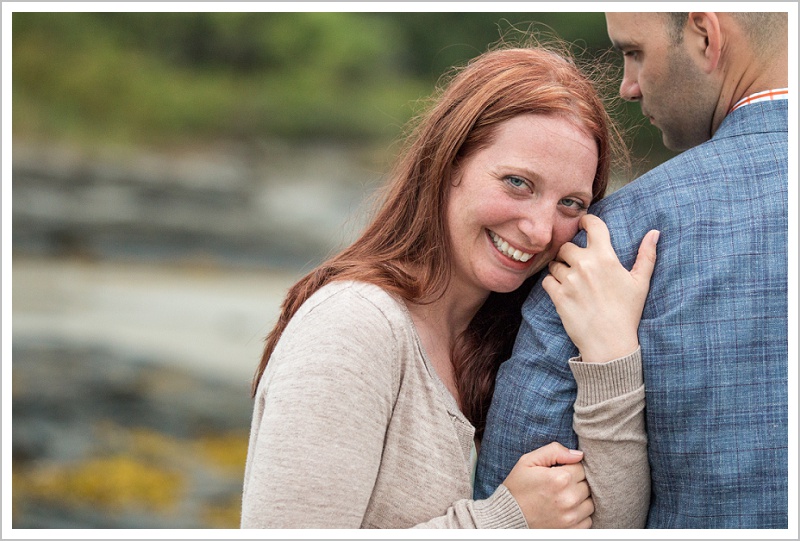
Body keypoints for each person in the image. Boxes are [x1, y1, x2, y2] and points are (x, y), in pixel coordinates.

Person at [239, 42, 660, 529]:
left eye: (570, 203)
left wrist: (612, 352)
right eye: (518, 183)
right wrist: (502, 522)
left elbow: (614, 526)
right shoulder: (352, 326)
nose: (541, 231)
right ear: (449, 161)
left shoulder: (521, 339)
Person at [474, 12, 789, 529]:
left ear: (705, 35)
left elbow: (527, 489)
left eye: (633, 51)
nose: (627, 87)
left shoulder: (614, 239)